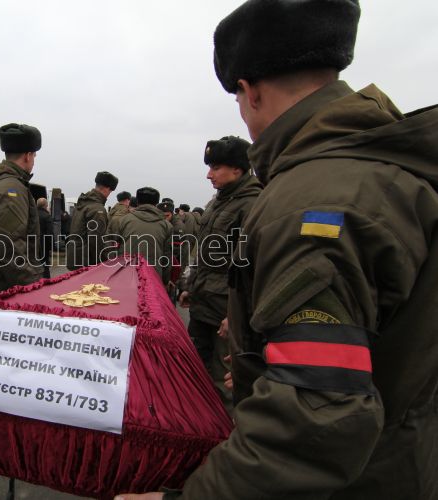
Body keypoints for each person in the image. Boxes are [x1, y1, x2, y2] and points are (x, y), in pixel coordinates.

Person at [116, 0, 438, 499]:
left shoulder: (311, 202)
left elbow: (313, 416)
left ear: (251, 91)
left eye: (237, 99)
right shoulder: (383, 169)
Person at [177, 136, 262, 413]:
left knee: (223, 379)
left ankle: (222, 433)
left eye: (215, 168)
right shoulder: (217, 203)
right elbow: (203, 252)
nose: (208, 175)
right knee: (194, 371)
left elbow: (254, 266)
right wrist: (189, 286)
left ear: (238, 169)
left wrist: (236, 314)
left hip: (226, 309)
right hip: (203, 303)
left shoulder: (253, 205)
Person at [0, 123, 43, 294]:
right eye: (34, 155)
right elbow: (9, 248)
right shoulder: (11, 190)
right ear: (27, 156)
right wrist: (34, 285)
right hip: (9, 291)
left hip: (3, 285)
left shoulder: (8, 184)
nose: (34, 161)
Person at [118, 188, 173, 287]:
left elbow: (112, 247)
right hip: (153, 276)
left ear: (137, 201)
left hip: (126, 273)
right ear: (157, 203)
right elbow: (166, 257)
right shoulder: (166, 225)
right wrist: (164, 281)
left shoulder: (124, 220)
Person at [65, 171, 118, 270]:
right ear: (107, 188)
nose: (109, 195)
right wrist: (103, 263)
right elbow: (96, 241)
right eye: (110, 191)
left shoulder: (82, 204)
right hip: (86, 263)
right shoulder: (97, 209)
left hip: (75, 258)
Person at [36, 197, 53, 278]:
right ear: (45, 205)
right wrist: (51, 247)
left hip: (33, 242)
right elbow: (50, 233)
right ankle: (46, 280)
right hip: (44, 244)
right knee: (45, 265)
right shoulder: (47, 216)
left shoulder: (33, 215)